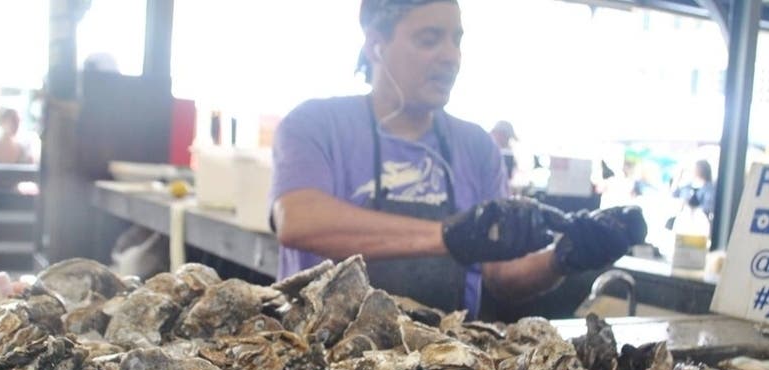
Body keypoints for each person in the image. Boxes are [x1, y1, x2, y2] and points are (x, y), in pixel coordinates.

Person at [270, 0, 646, 318]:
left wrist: (563, 258)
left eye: (456, 40)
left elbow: (502, 275)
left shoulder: (476, 146)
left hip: (444, 368)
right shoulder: (317, 124)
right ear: (376, 45)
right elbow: (300, 221)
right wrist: (450, 235)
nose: (450, 56)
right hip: (324, 366)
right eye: (429, 39)